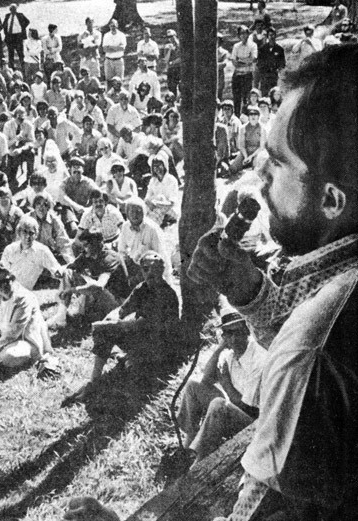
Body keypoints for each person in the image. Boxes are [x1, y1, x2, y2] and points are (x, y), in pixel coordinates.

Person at [189, 45, 358, 520]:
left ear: (331, 200)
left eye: (278, 161)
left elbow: (263, 510)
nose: (258, 173)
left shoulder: (312, 357)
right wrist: (249, 290)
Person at [69, 250, 179, 398]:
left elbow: (141, 324)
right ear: (141, 270)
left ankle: (129, 363)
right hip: (144, 338)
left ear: (162, 270)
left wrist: (108, 325)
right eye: (146, 268)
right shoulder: (142, 288)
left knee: (107, 331)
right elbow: (122, 309)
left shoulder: (166, 294)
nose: (151, 273)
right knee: (106, 328)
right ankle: (95, 380)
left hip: (160, 348)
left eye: (156, 269)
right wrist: (110, 318)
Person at [177, 308, 266, 465]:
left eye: (237, 332)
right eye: (228, 333)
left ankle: (196, 461)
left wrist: (225, 382)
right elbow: (205, 380)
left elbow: (248, 407)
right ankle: (187, 447)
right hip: (239, 409)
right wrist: (220, 348)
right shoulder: (230, 354)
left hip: (256, 424)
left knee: (219, 405)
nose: (233, 339)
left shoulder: (258, 358)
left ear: (247, 330)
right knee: (193, 385)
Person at [0, 264, 50, 369]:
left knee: (10, 355)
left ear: (13, 280)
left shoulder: (23, 298)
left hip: (23, 341)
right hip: (1, 338)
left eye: (6, 281)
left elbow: (13, 333)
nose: (4, 285)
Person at [49, 228, 129, 328]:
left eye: (86, 245)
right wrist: (59, 271)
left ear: (98, 243)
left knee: (95, 287)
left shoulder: (110, 257)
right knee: (68, 273)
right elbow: (70, 268)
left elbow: (99, 287)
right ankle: (61, 317)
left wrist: (72, 290)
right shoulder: (88, 254)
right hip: (102, 298)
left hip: (118, 303)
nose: (83, 249)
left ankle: (84, 316)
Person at [0, 214, 64, 290]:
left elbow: (56, 268)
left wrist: (63, 273)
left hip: (22, 292)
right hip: (3, 287)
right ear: (19, 233)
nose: (28, 236)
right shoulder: (10, 249)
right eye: (24, 232)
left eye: (31, 233)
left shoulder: (42, 251)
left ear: (36, 235)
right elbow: (1, 271)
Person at [231, 26, 258, 117]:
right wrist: (246, 61)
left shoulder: (253, 45)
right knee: (236, 98)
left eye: (245, 33)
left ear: (248, 34)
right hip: (237, 75)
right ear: (239, 35)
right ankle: (237, 116)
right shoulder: (236, 46)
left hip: (247, 75)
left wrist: (240, 60)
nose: (243, 35)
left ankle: (246, 116)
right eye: (241, 33)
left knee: (246, 98)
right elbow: (234, 62)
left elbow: (253, 59)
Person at [256, 27, 285, 96]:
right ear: (267, 36)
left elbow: (283, 63)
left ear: (275, 36)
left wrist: (278, 69)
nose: (272, 37)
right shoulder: (262, 49)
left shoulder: (280, 49)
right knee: (264, 95)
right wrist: (263, 71)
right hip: (264, 77)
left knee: (274, 95)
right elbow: (259, 62)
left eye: (273, 35)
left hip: (274, 76)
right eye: (270, 35)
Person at [3, 4, 30, 71]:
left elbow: (27, 21)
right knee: (11, 53)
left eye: (15, 9)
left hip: (18, 36)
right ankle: (12, 68)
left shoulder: (20, 15)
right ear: (10, 10)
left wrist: (22, 28)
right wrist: (6, 33)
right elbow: (4, 25)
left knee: (20, 53)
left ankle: (23, 67)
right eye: (12, 9)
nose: (13, 10)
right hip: (10, 36)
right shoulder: (7, 16)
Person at [164, 29, 181, 96]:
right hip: (171, 69)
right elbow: (166, 59)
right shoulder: (167, 46)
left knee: (181, 86)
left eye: (171, 36)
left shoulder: (180, 45)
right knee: (171, 87)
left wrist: (173, 62)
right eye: (168, 37)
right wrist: (170, 50)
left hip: (179, 68)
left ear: (175, 35)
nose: (170, 38)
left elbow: (182, 58)